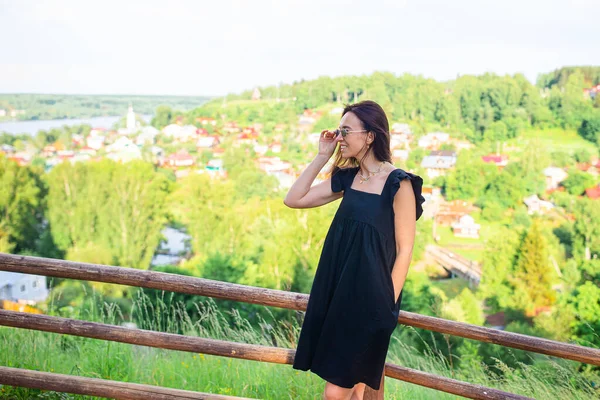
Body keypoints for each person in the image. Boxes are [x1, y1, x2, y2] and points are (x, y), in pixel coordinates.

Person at [283, 100, 425, 400]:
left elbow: (405, 250)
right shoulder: (348, 179)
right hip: (337, 295)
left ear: (370, 136)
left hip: (372, 303)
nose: (339, 137)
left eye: (346, 130)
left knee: (335, 394)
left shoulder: (400, 184)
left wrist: (387, 307)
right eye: (339, 129)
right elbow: (294, 199)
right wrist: (322, 156)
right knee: (355, 393)